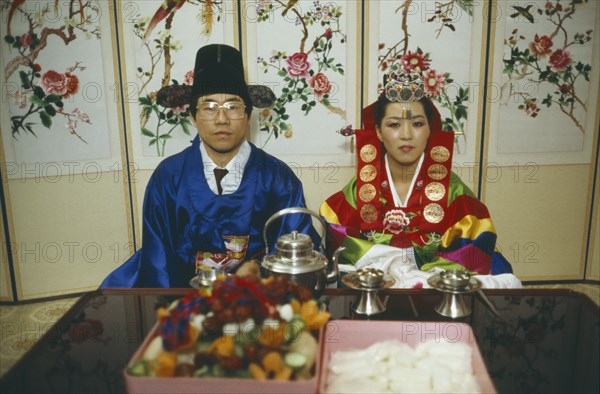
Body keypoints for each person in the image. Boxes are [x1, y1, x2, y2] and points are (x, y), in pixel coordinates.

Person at [101, 44, 315, 287]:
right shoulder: (168, 177)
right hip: (181, 296)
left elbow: (295, 257)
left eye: (233, 107)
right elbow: (158, 259)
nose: (222, 119)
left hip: (259, 296)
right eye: (209, 107)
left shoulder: (277, 177)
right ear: (193, 116)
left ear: (247, 116)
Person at [320, 65, 520, 288]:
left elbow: (473, 251)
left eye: (417, 124)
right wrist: (391, 263)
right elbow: (338, 238)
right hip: (374, 291)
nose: (406, 135)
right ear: (378, 132)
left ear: (429, 130)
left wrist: (418, 279)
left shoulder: (453, 191)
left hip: (435, 293)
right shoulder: (361, 189)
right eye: (394, 125)